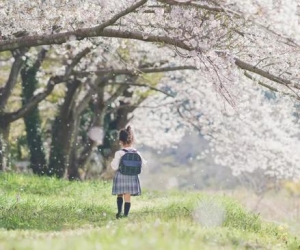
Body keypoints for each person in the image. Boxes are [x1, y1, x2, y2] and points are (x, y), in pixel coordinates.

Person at [111, 125, 147, 219]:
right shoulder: (137, 153)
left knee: (120, 194)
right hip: (132, 177)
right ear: (132, 140)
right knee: (127, 196)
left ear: (120, 142)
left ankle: (119, 212)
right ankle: (126, 215)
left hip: (121, 175)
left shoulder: (119, 153)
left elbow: (114, 167)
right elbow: (143, 164)